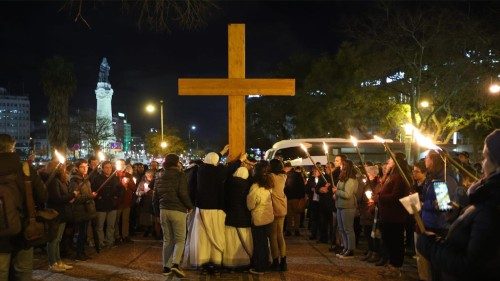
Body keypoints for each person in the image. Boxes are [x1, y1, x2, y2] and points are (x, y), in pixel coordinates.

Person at [417, 129, 500, 281]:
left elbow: (471, 265)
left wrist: (429, 245)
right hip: (435, 224)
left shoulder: (489, 207)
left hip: (437, 226)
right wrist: (459, 213)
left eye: (484, 157)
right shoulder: (483, 199)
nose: (482, 164)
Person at [0, 134, 47, 280]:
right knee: (23, 269)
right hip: (24, 227)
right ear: (13, 147)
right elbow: (43, 196)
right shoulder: (25, 169)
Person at [154, 154, 193, 278]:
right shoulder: (180, 175)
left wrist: (156, 211)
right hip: (178, 210)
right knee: (180, 239)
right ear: (176, 163)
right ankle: (176, 265)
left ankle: (166, 267)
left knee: (167, 239)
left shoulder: (159, 175)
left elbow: (155, 197)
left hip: (163, 210)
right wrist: (189, 206)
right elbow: (182, 193)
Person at [187, 151, 227, 270]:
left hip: (201, 208)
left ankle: (201, 258)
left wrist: (221, 153)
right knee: (215, 233)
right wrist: (239, 160)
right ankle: (216, 259)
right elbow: (227, 169)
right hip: (216, 208)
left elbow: (210, 160)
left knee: (202, 236)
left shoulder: (201, 170)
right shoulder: (219, 171)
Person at [378, 153, 413, 277]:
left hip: (395, 216)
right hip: (387, 215)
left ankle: (396, 266)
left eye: (390, 160)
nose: (387, 162)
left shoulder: (399, 177)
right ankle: (392, 264)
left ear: (396, 162)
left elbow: (396, 196)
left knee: (395, 242)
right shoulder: (391, 176)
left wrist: (380, 197)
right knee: (388, 240)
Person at [45, 161, 75, 273]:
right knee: (53, 239)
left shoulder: (60, 180)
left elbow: (63, 195)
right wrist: (72, 195)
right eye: (62, 167)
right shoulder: (53, 181)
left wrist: (70, 196)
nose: (64, 168)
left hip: (62, 214)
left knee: (58, 239)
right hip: (55, 214)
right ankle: (52, 263)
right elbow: (57, 199)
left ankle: (58, 261)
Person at [247, 161, 274, 275]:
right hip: (268, 216)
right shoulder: (269, 184)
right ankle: (266, 263)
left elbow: (250, 204)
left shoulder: (255, 186)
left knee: (259, 243)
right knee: (265, 242)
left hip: (258, 218)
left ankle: (260, 267)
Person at [223, 167, 253, 269]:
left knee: (232, 241)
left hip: (230, 216)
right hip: (244, 217)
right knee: (244, 239)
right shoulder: (249, 185)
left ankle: (230, 261)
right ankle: (245, 260)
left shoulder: (228, 184)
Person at [69, 159, 97, 261]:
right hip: (80, 210)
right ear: (77, 168)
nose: (85, 169)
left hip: (87, 210)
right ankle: (79, 253)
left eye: (86, 166)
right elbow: (75, 198)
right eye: (82, 167)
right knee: (81, 233)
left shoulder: (85, 179)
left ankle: (82, 252)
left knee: (84, 233)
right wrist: (90, 196)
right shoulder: (75, 180)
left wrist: (90, 196)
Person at [91, 161, 123, 249]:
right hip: (101, 206)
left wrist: (116, 199)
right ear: (102, 168)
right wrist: (98, 197)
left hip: (112, 205)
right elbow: (94, 190)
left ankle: (110, 241)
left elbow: (120, 190)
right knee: (100, 226)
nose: (109, 169)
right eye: (106, 167)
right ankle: (101, 242)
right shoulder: (97, 178)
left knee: (111, 225)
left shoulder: (115, 178)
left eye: (110, 167)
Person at [333, 159, 359, 258]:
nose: (340, 167)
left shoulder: (351, 180)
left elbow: (348, 194)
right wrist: (336, 194)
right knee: (341, 228)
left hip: (347, 206)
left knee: (348, 229)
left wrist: (337, 191)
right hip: (340, 205)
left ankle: (350, 249)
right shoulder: (342, 178)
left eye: (342, 165)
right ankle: (345, 247)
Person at [269, 159, 288, 271]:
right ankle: (284, 261)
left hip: (274, 208)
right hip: (282, 207)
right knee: (280, 234)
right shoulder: (283, 177)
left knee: (273, 235)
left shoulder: (271, 177)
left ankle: (275, 261)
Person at [114, 159, 136, 244]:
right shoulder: (114, 175)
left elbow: (134, 187)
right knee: (116, 220)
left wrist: (128, 184)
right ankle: (116, 236)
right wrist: (121, 184)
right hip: (118, 202)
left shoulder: (128, 175)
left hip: (127, 201)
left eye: (123, 164)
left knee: (125, 220)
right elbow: (114, 187)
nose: (121, 166)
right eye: (119, 164)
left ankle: (125, 235)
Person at [283, 162, 306, 237]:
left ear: (287, 167)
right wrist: (302, 197)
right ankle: (296, 230)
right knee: (297, 215)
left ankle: (289, 230)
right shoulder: (298, 175)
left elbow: (285, 187)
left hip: (288, 197)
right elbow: (302, 187)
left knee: (289, 215)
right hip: (297, 198)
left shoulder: (286, 175)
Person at [136, 170, 155, 237]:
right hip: (145, 202)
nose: (150, 177)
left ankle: (153, 230)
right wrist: (143, 192)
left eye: (151, 176)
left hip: (153, 202)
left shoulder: (156, 182)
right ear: (146, 176)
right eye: (148, 176)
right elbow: (137, 192)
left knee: (153, 216)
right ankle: (147, 229)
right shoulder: (142, 183)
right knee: (146, 216)